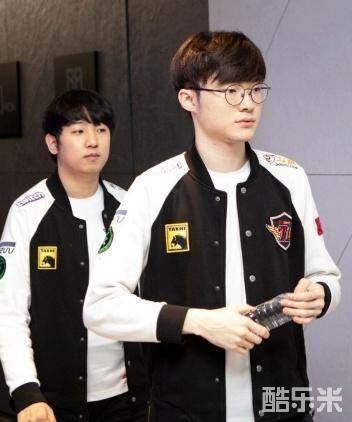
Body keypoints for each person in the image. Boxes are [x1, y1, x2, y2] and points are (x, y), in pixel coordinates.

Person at [83, 31, 341, 422]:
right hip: (187, 408)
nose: (248, 104)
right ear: (189, 99)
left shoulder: (290, 178)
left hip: (282, 403)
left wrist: (320, 294)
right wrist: (199, 322)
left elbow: (327, 276)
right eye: (231, 91)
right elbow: (100, 306)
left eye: (255, 90)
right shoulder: (153, 188)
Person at [0, 89, 148, 422]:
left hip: (128, 395)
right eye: (79, 131)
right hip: (55, 398)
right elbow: (9, 312)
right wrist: (25, 391)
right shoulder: (27, 211)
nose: (93, 141)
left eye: (101, 130)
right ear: (53, 143)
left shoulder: (128, 206)